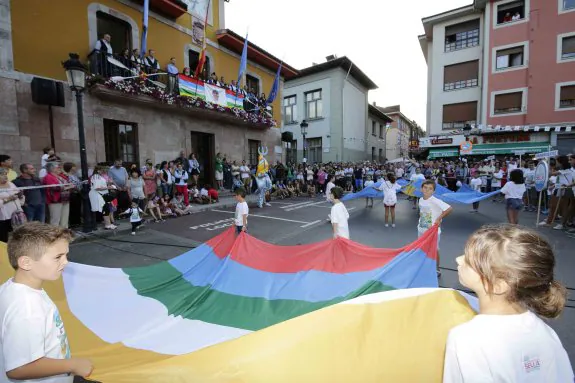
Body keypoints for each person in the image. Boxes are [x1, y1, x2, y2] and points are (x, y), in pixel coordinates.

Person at [444, 224, 573, 383]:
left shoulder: (465, 339)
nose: (458, 259)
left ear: (498, 285)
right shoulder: (546, 333)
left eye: (469, 261)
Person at [0, 222, 93, 381]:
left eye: (66, 255)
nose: (65, 262)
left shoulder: (13, 288)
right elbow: (18, 368)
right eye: (58, 257)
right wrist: (72, 365)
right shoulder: (26, 308)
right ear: (26, 262)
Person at [418, 180, 453, 277]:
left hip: (433, 231)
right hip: (421, 229)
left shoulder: (435, 200)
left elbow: (449, 208)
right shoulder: (420, 200)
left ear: (433, 191)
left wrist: (439, 218)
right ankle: (424, 265)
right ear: (421, 189)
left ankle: (437, 269)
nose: (427, 190)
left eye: (430, 189)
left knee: (435, 249)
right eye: (425, 188)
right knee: (422, 248)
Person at [0, 168, 24, 242]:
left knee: (16, 235)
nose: (5, 176)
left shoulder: (10, 184)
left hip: (15, 214)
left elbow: (18, 194)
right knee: (3, 237)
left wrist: (20, 195)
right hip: (3, 217)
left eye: (5, 174)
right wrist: (8, 199)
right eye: (2, 174)